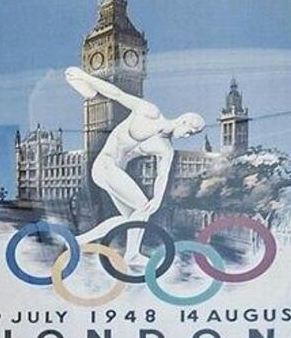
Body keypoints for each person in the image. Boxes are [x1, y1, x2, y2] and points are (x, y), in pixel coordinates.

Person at [63, 64, 205, 269]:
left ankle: (77, 242)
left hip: (114, 172)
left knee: (131, 218)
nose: (187, 136)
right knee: (140, 209)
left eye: (192, 136)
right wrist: (86, 77)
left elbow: (162, 176)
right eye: (189, 132)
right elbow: (117, 94)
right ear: (183, 121)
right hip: (105, 165)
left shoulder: (166, 149)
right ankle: (131, 255)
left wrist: (157, 199)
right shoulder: (150, 112)